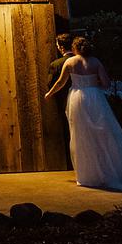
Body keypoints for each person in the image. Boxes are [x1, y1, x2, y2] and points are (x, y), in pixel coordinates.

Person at [44, 36, 122, 191]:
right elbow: (106, 84)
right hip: (96, 98)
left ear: (75, 48)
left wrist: (49, 93)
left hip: (78, 98)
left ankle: (88, 175)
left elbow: (60, 82)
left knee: (82, 135)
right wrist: (92, 84)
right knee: (104, 133)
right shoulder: (96, 62)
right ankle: (109, 169)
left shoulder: (70, 62)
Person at [44, 33, 74, 163]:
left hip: (64, 99)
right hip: (88, 97)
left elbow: (51, 83)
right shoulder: (84, 60)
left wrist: (50, 93)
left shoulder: (57, 64)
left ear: (61, 47)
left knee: (68, 130)